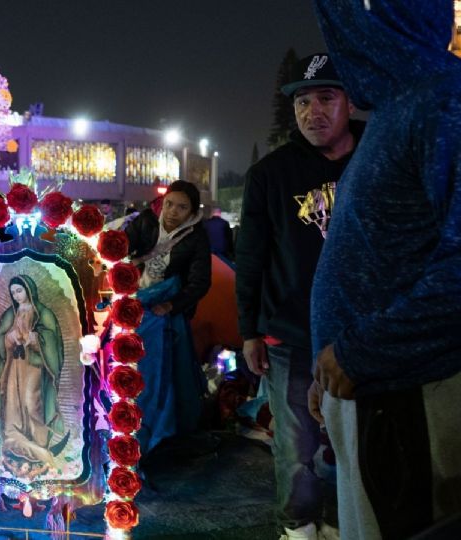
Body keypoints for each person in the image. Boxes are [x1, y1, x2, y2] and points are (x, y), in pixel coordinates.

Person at [309, 2, 461, 538]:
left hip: (411, 393)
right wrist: (327, 359)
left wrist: (360, 351)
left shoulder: (445, 100)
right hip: (371, 386)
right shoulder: (401, 108)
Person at [236, 53, 361, 540]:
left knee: (360, 435)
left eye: (326, 98)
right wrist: (249, 331)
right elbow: (250, 257)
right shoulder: (271, 175)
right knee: (295, 442)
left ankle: (350, 519)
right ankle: (301, 525)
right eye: (302, 102)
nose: (313, 112)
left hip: (363, 332)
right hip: (290, 333)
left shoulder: (378, 156)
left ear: (350, 102)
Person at [124, 180, 211, 440]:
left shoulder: (196, 237)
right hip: (136, 303)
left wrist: (172, 305)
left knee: (167, 371)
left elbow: (200, 283)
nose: (173, 211)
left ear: (192, 211)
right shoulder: (147, 222)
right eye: (170, 204)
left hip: (168, 314)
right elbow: (124, 246)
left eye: (182, 207)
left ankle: (163, 430)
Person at [0, 275, 68, 478]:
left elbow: (53, 339)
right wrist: (9, 338)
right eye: (13, 292)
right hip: (13, 365)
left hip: (34, 366)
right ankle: (14, 440)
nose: (16, 296)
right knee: (13, 403)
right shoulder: (10, 313)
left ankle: (38, 443)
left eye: (19, 291)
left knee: (32, 402)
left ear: (29, 290)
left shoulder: (42, 313)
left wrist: (36, 339)